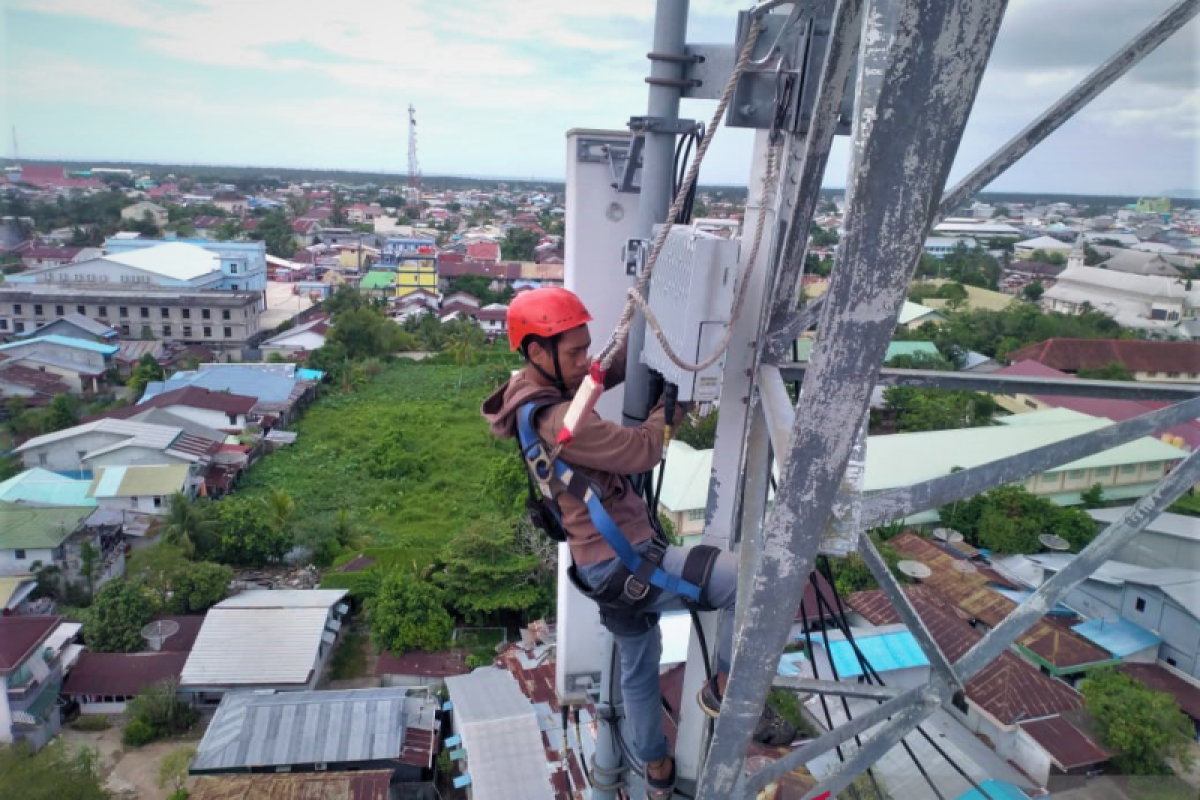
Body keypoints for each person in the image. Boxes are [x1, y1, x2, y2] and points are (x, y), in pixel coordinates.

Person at [482, 287, 793, 799]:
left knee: (638, 666)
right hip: (624, 562)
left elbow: (598, 376)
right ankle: (726, 688)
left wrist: (657, 340)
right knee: (755, 583)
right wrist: (672, 408)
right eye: (576, 351)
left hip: (598, 569)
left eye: (586, 347)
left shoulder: (529, 392)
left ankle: (656, 769)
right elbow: (644, 449)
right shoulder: (560, 422)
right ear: (538, 352)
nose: (587, 361)